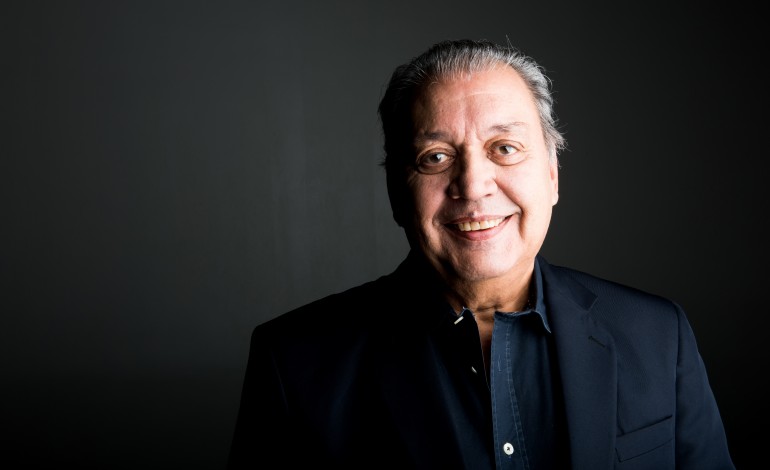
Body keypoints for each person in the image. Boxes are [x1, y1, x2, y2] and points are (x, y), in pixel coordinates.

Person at [226, 39, 735, 469]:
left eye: (504, 148)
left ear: (552, 176)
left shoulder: (657, 335)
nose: (472, 186)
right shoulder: (293, 364)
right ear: (397, 193)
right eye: (436, 157)